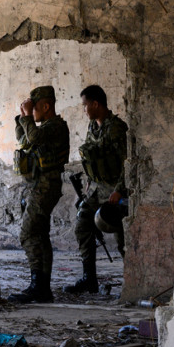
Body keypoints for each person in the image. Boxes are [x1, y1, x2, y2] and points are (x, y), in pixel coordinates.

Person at [8, 85, 70, 303]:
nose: (32, 112)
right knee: (40, 236)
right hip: (38, 186)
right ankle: (42, 288)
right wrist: (22, 117)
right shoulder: (43, 127)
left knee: (27, 234)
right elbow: (24, 139)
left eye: (34, 108)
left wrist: (28, 120)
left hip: (45, 186)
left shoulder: (56, 127)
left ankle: (38, 286)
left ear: (45, 106)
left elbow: (33, 137)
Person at [65, 84, 128, 294]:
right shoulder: (93, 127)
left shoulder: (117, 128)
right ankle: (88, 278)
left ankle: (131, 278)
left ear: (95, 104)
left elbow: (127, 162)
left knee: (122, 237)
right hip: (97, 188)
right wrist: (88, 185)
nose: (84, 111)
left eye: (85, 106)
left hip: (115, 189)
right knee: (82, 224)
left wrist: (119, 189)